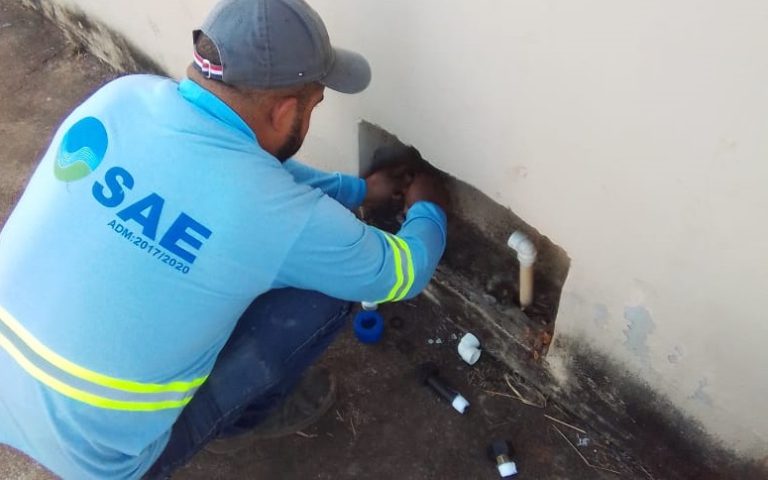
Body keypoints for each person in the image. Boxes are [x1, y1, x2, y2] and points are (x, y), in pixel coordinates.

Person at [0, 0, 449, 478]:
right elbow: (403, 273)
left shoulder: (124, 98)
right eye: (315, 103)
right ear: (283, 111)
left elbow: (241, 171)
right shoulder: (271, 213)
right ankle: (247, 416)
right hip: (102, 460)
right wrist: (429, 204)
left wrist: (356, 189)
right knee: (324, 294)